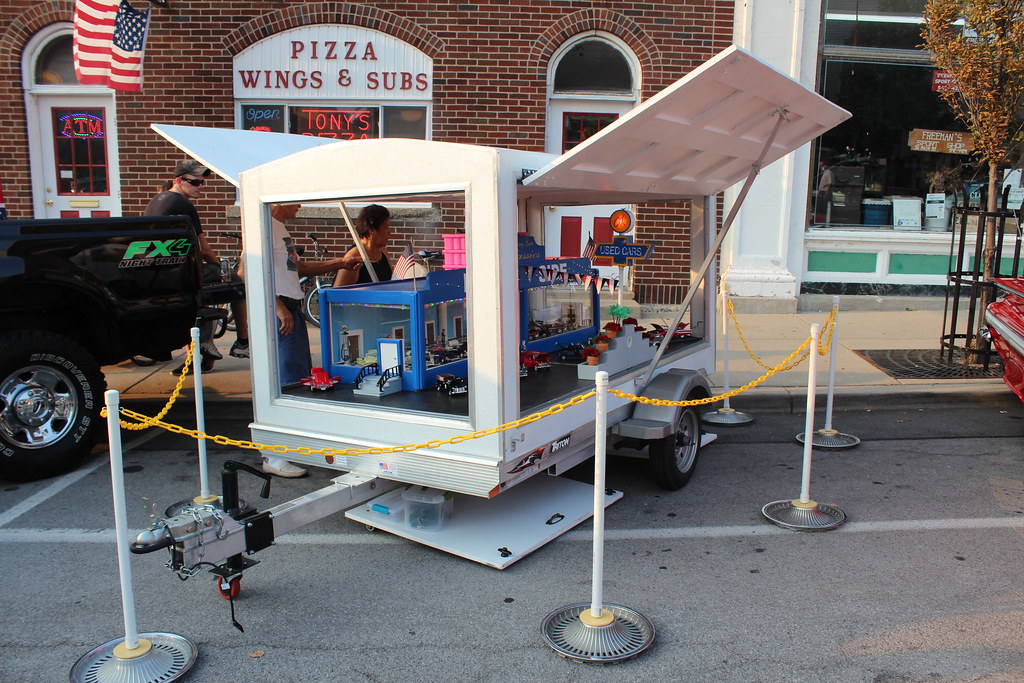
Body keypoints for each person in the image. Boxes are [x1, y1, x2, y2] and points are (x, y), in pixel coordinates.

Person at [260, 203, 362, 477]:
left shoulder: (279, 228)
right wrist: (277, 306)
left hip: (290, 306)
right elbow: (247, 273)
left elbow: (298, 267)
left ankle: (287, 448)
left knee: (297, 377)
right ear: (280, 201)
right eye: (295, 200)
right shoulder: (262, 226)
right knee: (284, 380)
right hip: (281, 309)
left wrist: (340, 263)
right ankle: (273, 455)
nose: (301, 204)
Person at [144, 160, 250, 374]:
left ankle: (202, 351)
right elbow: (205, 251)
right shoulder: (183, 205)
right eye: (194, 182)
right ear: (178, 181)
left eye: (202, 183)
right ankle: (243, 341)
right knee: (235, 279)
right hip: (180, 272)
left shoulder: (157, 201)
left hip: (160, 272)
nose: (199, 186)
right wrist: (219, 266)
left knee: (205, 295)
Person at [333, 204, 393, 286]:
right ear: (372, 230)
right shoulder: (353, 258)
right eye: (386, 227)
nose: (389, 232)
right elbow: (337, 294)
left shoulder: (382, 252)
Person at [815, 160, 834, 224]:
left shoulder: (828, 173)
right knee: (820, 207)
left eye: (822, 165)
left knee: (824, 208)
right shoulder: (824, 173)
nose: (821, 167)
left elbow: (830, 184)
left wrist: (826, 194)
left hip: (825, 192)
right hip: (821, 192)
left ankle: (824, 222)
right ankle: (820, 221)